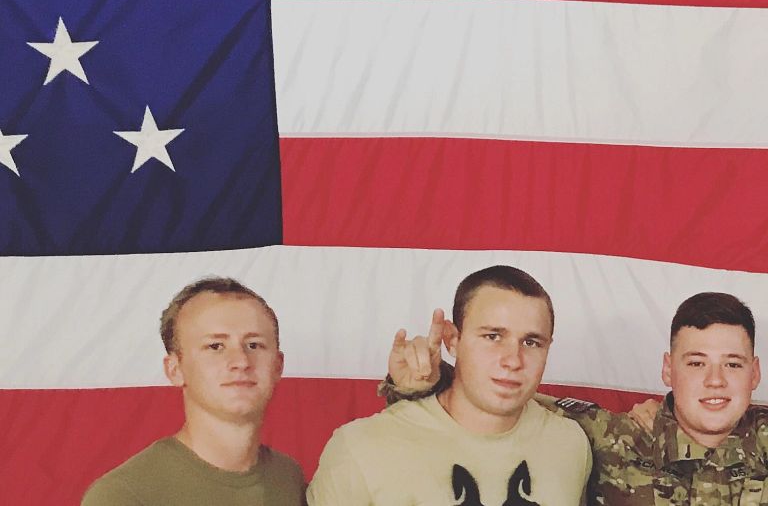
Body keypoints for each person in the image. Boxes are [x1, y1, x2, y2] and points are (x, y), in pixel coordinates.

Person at [387, 291, 768, 505]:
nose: (715, 381)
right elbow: (498, 400)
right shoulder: (610, 438)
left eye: (733, 365)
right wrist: (425, 381)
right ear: (668, 370)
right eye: (697, 363)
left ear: (755, 374)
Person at [307, 265, 592, 505]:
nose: (513, 360)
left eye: (531, 342)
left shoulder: (570, 444)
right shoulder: (361, 448)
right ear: (453, 340)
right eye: (493, 336)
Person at [81, 277, 305, 506]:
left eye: (254, 345)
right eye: (216, 346)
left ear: (278, 365)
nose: (240, 361)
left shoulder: (289, 480)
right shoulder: (123, 496)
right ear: (175, 369)